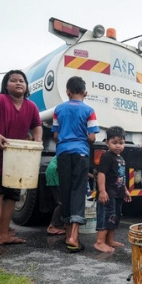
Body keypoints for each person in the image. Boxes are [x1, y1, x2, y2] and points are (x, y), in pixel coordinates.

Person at [0, 69, 43, 255]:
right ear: (6, 85)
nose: (19, 83)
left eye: (22, 80)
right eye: (13, 80)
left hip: (16, 155)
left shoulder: (31, 106)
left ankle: (3, 234)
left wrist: (37, 140)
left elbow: (37, 125)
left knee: (12, 194)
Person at [52, 76, 99, 253]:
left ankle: (66, 234)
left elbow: (56, 136)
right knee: (78, 191)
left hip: (63, 152)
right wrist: (81, 138)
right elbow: (93, 137)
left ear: (67, 92)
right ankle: (74, 236)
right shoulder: (89, 110)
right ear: (85, 93)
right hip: (80, 152)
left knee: (65, 190)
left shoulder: (59, 109)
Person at [94, 126, 131, 253]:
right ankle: (100, 242)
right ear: (107, 143)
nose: (118, 146)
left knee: (114, 217)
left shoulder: (121, 158)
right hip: (108, 193)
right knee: (106, 216)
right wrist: (102, 191)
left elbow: (121, 176)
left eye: (121, 143)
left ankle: (109, 240)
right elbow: (101, 174)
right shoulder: (107, 156)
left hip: (118, 193)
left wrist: (125, 189)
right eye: (114, 143)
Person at [45, 156, 65, 235]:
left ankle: (61, 224)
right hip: (55, 173)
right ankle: (52, 226)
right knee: (62, 202)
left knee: (61, 201)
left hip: (54, 171)